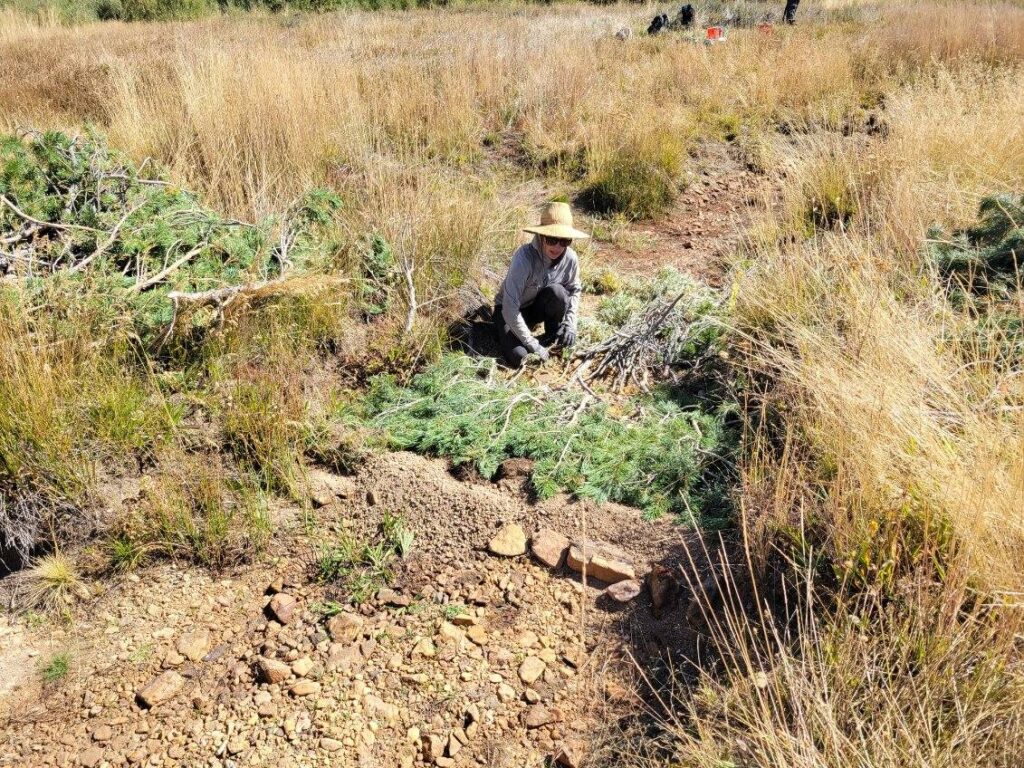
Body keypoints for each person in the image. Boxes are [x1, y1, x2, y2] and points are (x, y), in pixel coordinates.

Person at [494, 202, 588, 368]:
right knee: (520, 357)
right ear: (542, 236)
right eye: (552, 239)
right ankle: (508, 334)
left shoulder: (571, 258)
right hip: (509, 312)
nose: (558, 247)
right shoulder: (524, 258)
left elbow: (574, 289)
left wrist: (570, 324)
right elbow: (509, 307)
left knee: (558, 292)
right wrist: (533, 344)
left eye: (564, 241)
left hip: (535, 309)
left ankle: (552, 334)